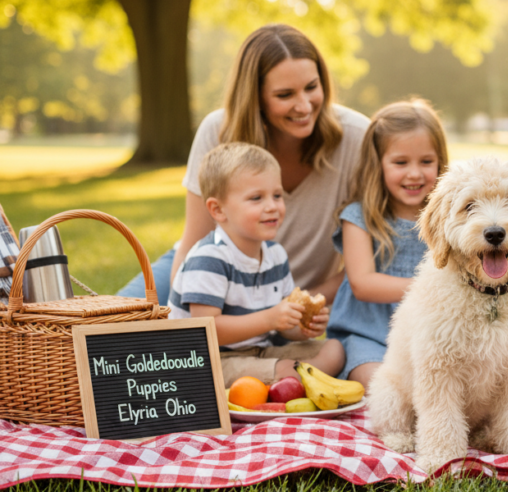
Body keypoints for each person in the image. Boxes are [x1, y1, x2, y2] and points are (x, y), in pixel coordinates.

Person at [118, 24, 369, 307]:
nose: (304, 106)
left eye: (312, 87)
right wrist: (183, 318)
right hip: (205, 276)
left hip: (286, 294)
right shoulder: (217, 131)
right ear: (256, 97)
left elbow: (373, 260)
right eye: (285, 95)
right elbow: (193, 241)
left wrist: (303, 303)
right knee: (100, 329)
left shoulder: (358, 138)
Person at [169, 142, 345, 387]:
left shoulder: (275, 255)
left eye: (277, 195)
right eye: (256, 198)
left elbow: (282, 329)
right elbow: (207, 329)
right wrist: (270, 319)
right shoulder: (209, 258)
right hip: (207, 359)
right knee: (284, 369)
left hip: (258, 352)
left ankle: (293, 382)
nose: (272, 206)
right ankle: (295, 381)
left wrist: (301, 327)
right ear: (218, 210)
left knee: (334, 349)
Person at [326, 100, 448, 389]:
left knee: (443, 381)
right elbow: (363, 284)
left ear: (440, 162)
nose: (415, 173)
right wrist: (437, 288)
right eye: (401, 162)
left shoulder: (445, 218)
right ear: (377, 164)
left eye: (426, 162)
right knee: (384, 384)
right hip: (368, 336)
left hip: (430, 336)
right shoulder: (359, 217)